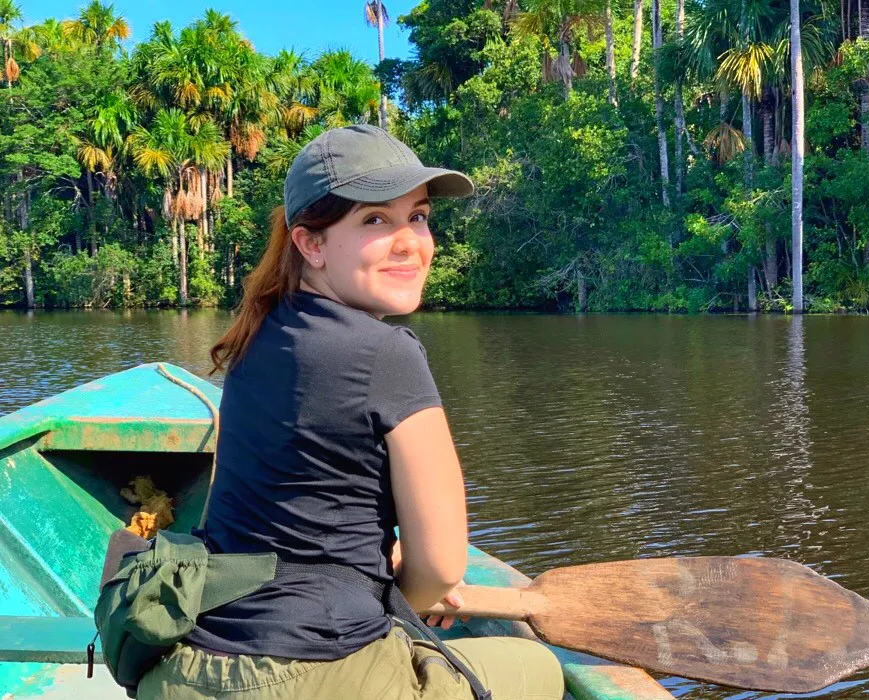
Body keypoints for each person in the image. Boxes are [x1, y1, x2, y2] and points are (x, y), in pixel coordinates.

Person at [137, 125, 565, 700]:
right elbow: (439, 566)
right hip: (299, 678)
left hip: (188, 668)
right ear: (311, 244)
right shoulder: (388, 354)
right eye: (375, 221)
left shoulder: (255, 334)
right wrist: (401, 599)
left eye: (417, 216)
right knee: (537, 670)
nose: (411, 242)